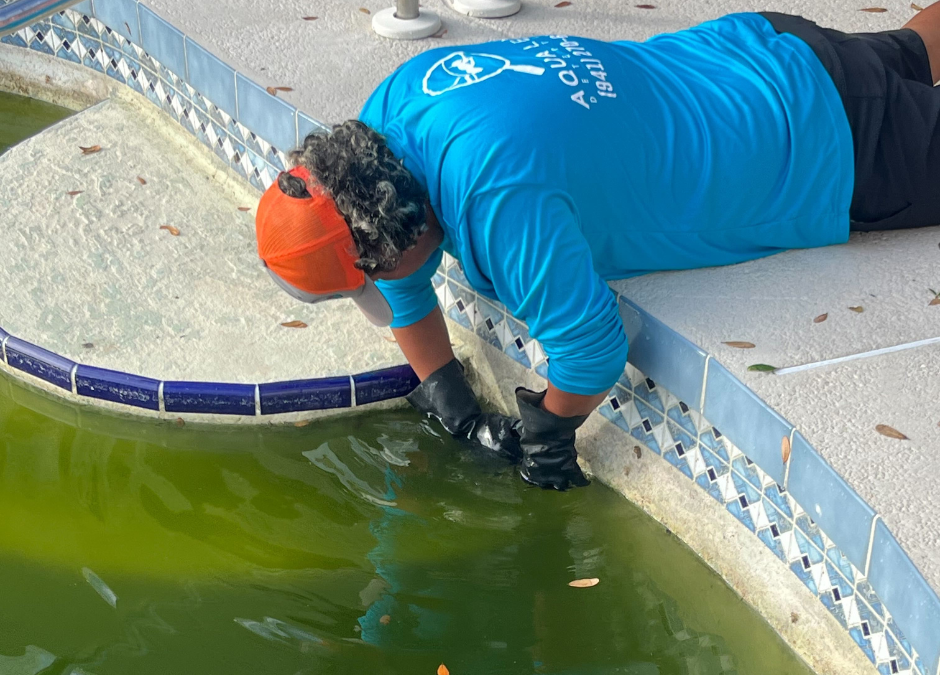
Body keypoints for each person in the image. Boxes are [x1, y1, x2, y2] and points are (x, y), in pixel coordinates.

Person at [255, 9, 940, 491]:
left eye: (364, 278)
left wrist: (549, 434)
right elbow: (403, 277)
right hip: (755, 50)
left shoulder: (498, 200)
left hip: (819, 142)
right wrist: (446, 393)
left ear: (395, 236)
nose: (378, 290)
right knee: (915, 46)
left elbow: (591, 350)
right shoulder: (391, 114)